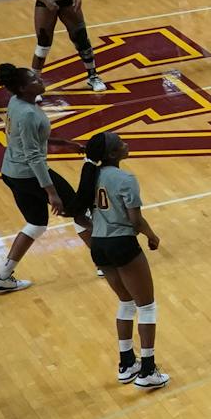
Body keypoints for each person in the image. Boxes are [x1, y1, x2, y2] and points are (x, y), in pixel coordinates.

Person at [76, 133, 169, 389]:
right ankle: (148, 370)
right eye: (121, 143)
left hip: (99, 246)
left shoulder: (90, 175)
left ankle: (127, 363)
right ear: (113, 154)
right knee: (146, 306)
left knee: (126, 302)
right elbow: (135, 221)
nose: (126, 144)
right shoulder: (125, 179)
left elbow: (80, 214)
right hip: (122, 243)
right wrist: (152, 236)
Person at [0, 62, 89, 293]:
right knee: (79, 209)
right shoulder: (29, 114)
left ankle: (2, 277)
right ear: (23, 88)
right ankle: (106, 263)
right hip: (29, 174)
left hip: (11, 172)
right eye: (34, 79)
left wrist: (61, 143)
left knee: (36, 224)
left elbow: (24, 139)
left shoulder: (15, 103)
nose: (40, 81)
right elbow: (34, 156)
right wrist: (51, 193)